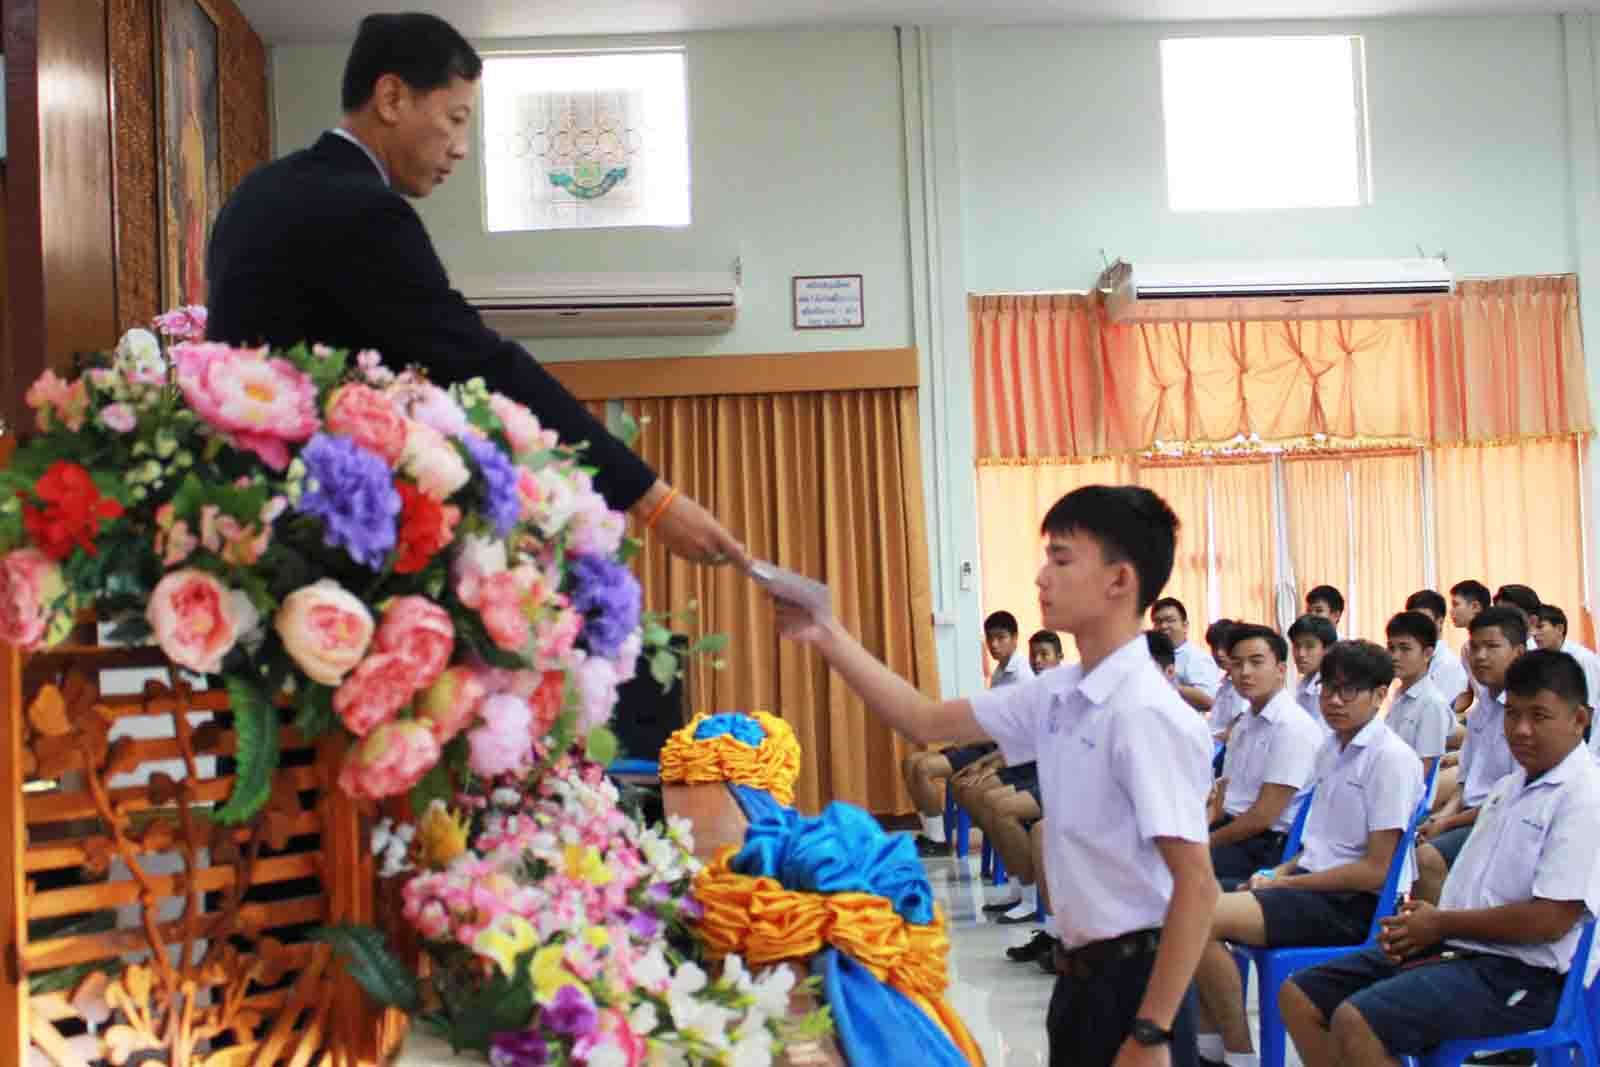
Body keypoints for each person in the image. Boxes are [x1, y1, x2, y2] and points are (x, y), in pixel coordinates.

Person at [205, 13, 745, 566]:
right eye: (456, 118)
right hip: (311, 535)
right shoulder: (366, 212)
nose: (461, 147)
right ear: (391, 98)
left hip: (230, 516)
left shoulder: (257, 190)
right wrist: (653, 500)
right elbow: (479, 364)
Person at [769, 484, 1218, 1067]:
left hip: (1139, 987)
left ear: (1119, 580)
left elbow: (1196, 886)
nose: (1041, 577)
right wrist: (826, 632)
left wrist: (1152, 1032)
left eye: (1061, 560)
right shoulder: (1059, 692)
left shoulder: (1145, 713)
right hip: (1079, 976)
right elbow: (923, 719)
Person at [1280, 650, 1600, 1067]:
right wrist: (1424, 922)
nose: (1521, 730)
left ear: (1579, 719)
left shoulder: (1584, 797)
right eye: (1513, 715)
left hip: (1528, 974)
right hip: (1464, 947)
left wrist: (1440, 923)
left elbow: (1549, 921)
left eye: (1539, 716)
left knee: (1358, 1021)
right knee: (1300, 995)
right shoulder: (1511, 787)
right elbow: (1477, 887)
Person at [1194, 641, 1423, 1067]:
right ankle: (1214, 1049)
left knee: (1194, 916)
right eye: (1328, 689)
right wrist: (1277, 872)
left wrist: (1287, 884)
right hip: (1310, 889)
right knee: (1186, 909)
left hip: (1353, 905)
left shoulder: (1390, 759)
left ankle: (1238, 1055)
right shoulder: (1331, 748)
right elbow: (1316, 845)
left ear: (1379, 695)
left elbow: (1375, 871)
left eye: (1348, 691)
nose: (1334, 701)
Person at [1413, 607, 1525, 902]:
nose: (1480, 656)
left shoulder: (1522, 713)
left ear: (1518, 653)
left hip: (1502, 821)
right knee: (1412, 837)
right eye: (1474, 648)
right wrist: (1444, 816)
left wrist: (1447, 823)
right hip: (1471, 814)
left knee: (1426, 858)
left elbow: (1509, 799)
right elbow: (1466, 784)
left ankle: (1436, 928)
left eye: (1492, 647)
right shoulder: (1484, 705)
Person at [906, 611, 1030, 858]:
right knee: (910, 762)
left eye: (1001, 638)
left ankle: (938, 841)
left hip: (996, 749)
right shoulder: (1000, 671)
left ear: (1015, 638)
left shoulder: (1022, 676)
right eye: (990, 639)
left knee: (923, 769)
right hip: (984, 741)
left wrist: (971, 739)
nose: (994, 645)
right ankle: (931, 833)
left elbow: (1012, 731)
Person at [1209, 624, 1323, 892]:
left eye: (1256, 662)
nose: (1245, 672)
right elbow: (1224, 795)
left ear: (1281, 669)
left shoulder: (1292, 727)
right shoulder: (1245, 722)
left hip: (1263, 845)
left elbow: (1263, 816)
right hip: (1234, 831)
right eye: (1237, 664)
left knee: (1170, 871)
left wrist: (1205, 843)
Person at [1384, 612, 1454, 782]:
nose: (1395, 656)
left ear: (1427, 654)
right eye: (1391, 648)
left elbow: (1424, 771)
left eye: (1405, 649)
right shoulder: (1399, 694)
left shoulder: (1432, 703)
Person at [1152, 597, 1223, 714]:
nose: (1163, 626)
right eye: (1158, 622)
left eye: (1170, 620)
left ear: (1185, 626)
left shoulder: (1197, 658)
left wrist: (1170, 685)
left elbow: (1209, 701)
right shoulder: (1148, 656)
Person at [1530, 604, 1600, 722]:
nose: (1534, 634)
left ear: (1559, 629)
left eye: (1540, 627)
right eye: (1532, 628)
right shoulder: (1537, 659)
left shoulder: (1583, 659)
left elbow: (1589, 710)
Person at [1404, 589, 1470, 706]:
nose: (1417, 626)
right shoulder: (1412, 661)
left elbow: (1433, 711)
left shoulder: (1447, 665)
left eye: (1424, 620)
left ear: (1439, 622)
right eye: (1412, 620)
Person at [1287, 615, 1338, 734]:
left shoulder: (1327, 689)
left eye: (1309, 647)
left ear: (1328, 649)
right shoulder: (1306, 683)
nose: (1301, 654)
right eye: (1296, 646)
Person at [1205, 619, 1245, 746]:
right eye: (1214, 648)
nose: (1219, 653)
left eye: (1224, 647)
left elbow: (1237, 730)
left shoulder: (1246, 684)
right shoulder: (1225, 685)